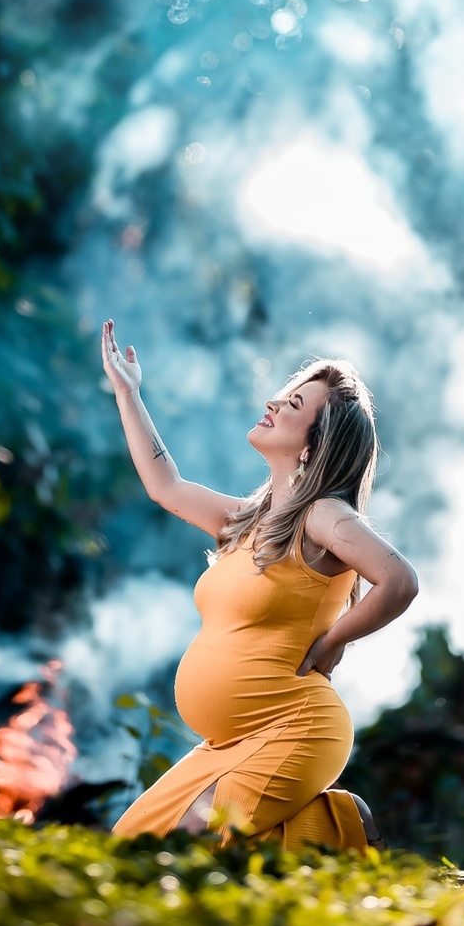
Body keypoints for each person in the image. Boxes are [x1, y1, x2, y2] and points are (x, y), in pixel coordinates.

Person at [101, 318, 418, 852]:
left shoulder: (323, 516)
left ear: (316, 444)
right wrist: (128, 393)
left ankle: (338, 829)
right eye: (283, 394)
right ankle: (338, 823)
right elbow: (166, 486)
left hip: (296, 727)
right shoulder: (248, 520)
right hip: (230, 741)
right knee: (126, 847)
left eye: (293, 404)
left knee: (175, 855)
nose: (273, 402)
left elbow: (400, 581)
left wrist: (333, 641)